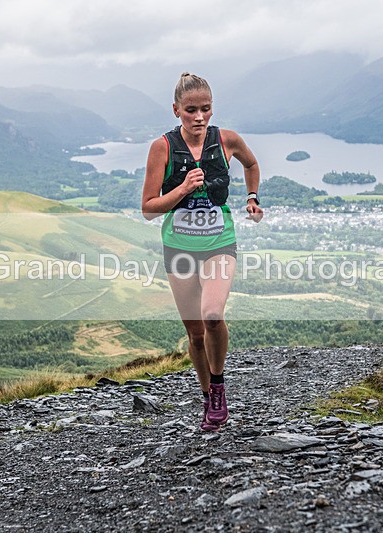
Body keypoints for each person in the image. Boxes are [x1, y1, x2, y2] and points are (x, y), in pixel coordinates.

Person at [141, 72, 264, 432]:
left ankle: (219, 387)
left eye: (206, 109)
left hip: (218, 243)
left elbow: (251, 164)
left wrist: (252, 198)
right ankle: (207, 392)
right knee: (195, 333)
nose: (199, 117)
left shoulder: (226, 140)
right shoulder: (162, 148)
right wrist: (181, 189)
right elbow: (149, 209)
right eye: (191, 110)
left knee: (212, 315)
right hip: (178, 248)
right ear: (176, 110)